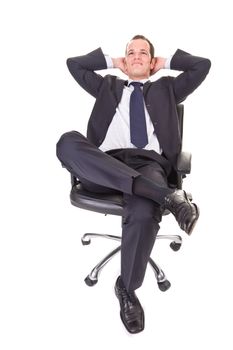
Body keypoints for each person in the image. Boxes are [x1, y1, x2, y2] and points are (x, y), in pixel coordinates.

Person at [56, 35, 211, 334]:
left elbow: (202, 67)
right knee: (67, 142)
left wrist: (163, 65)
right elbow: (73, 65)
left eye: (143, 53)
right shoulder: (107, 86)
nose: (136, 56)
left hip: (148, 164)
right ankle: (168, 198)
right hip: (102, 166)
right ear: (124, 61)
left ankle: (127, 288)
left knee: (143, 211)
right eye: (131, 53)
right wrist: (116, 63)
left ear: (152, 62)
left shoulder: (167, 89)